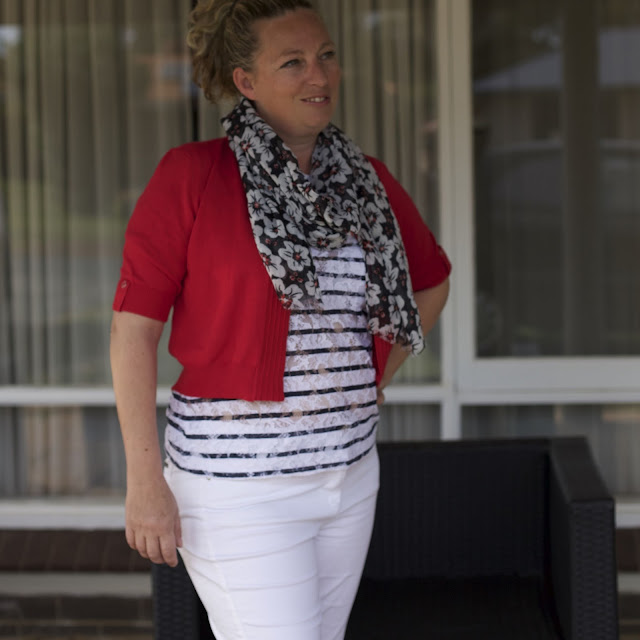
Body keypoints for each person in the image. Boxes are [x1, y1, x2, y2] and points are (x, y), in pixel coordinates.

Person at [110, 1, 451, 638]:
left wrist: (372, 373)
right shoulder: (194, 176)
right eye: (292, 62)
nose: (318, 74)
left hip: (350, 475)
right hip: (239, 489)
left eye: (325, 55)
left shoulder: (367, 181)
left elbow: (431, 283)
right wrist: (144, 480)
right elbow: (134, 331)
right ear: (246, 81)